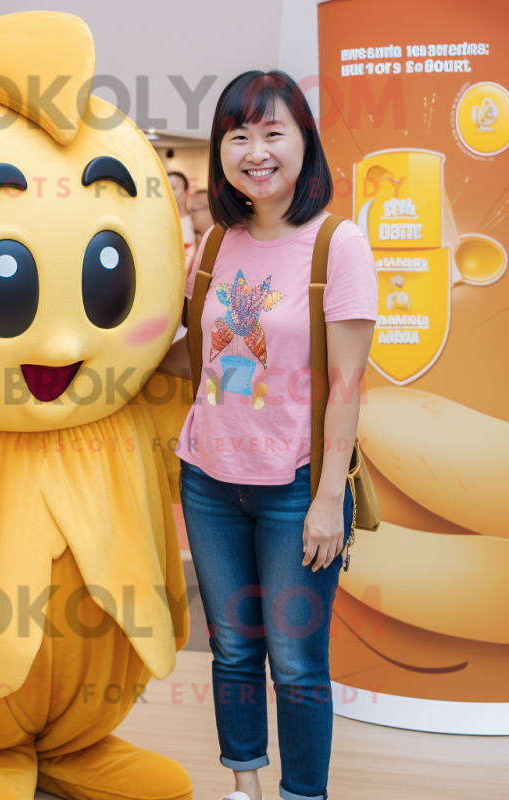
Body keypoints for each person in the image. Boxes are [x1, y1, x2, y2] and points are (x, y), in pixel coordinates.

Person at [160, 70, 377, 800]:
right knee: (230, 651)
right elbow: (200, 354)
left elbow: (346, 384)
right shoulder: (216, 243)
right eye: (238, 135)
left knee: (295, 661)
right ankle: (245, 787)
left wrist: (325, 502)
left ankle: (300, 795)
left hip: (294, 488)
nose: (256, 150)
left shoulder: (336, 244)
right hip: (210, 479)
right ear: (221, 151)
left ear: (304, 142)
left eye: (273, 131)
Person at [168, 170, 195, 257]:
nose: (168, 192)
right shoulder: (160, 224)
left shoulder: (196, 223)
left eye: (173, 188)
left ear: (185, 192)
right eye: (165, 188)